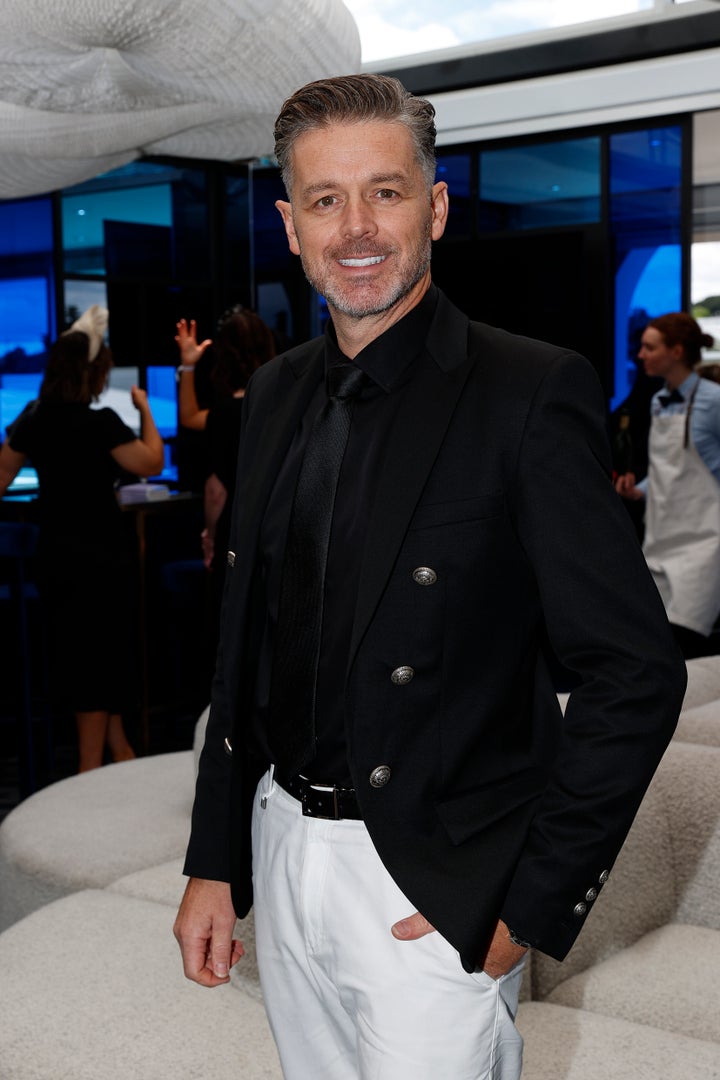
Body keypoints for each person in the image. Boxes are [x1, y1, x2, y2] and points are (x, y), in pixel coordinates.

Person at [174, 74, 686, 1079]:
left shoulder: (530, 392)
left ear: (436, 206)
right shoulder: (273, 393)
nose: (356, 226)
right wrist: (215, 858)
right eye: (326, 200)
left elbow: (635, 670)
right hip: (283, 847)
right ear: (290, 224)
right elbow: (241, 649)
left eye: (387, 192)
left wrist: (528, 900)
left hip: (430, 875)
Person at [0, 306, 164, 771]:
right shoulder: (99, 424)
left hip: (55, 556)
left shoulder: (33, 418)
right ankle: (90, 772)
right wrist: (145, 408)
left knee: (83, 658)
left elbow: (1, 475)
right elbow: (151, 461)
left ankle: (119, 752)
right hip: (102, 557)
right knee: (101, 661)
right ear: (93, 373)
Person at [616, 312, 720, 658]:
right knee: (652, 644)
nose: (640, 355)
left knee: (684, 647)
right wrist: (640, 489)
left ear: (676, 351)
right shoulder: (658, 402)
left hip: (704, 547)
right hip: (660, 542)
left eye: (649, 347)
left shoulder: (713, 400)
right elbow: (669, 469)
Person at [175, 307, 276, 647]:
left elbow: (216, 490)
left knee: (233, 634)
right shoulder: (286, 402)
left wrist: (211, 535)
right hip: (280, 527)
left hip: (238, 532)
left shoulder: (223, 413)